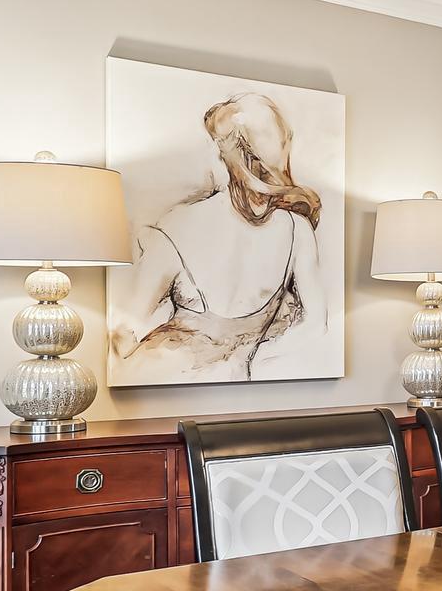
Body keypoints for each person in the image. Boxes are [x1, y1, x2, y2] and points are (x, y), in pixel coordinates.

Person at [109, 92, 330, 380]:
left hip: (178, 384)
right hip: (168, 382)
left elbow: (122, 330)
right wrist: (254, 359)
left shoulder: (179, 224)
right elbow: (314, 326)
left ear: (221, 152)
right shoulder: (297, 229)